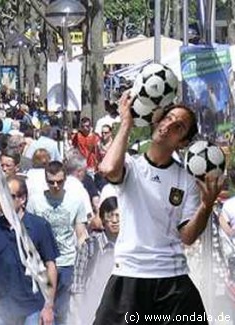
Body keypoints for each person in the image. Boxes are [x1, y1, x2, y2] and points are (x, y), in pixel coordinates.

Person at [94, 92, 224, 324]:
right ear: (157, 121)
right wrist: (126, 123)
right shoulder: (132, 166)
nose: (168, 125)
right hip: (129, 276)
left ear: (183, 142)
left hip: (172, 279)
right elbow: (108, 168)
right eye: (168, 118)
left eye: (179, 126)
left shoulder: (185, 179)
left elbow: (187, 236)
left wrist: (206, 206)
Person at [0, 176, 59, 325]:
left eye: (10, 195)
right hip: (2, 306)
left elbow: (50, 265)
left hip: (33, 306)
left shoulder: (39, 226)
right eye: (2, 194)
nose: (4, 199)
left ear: (22, 199)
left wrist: (49, 306)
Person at [27, 161, 88, 325]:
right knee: (43, 311)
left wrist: (85, 255)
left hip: (68, 262)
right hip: (43, 264)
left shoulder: (75, 201)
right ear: (45, 180)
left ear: (65, 179)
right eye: (51, 181)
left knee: (63, 312)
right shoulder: (35, 201)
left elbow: (81, 233)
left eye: (59, 182)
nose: (55, 185)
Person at [69, 193, 119, 325]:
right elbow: (78, 284)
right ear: (102, 219)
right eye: (110, 216)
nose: (114, 221)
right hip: (93, 309)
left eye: (118, 216)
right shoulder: (90, 244)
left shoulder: (131, 247)